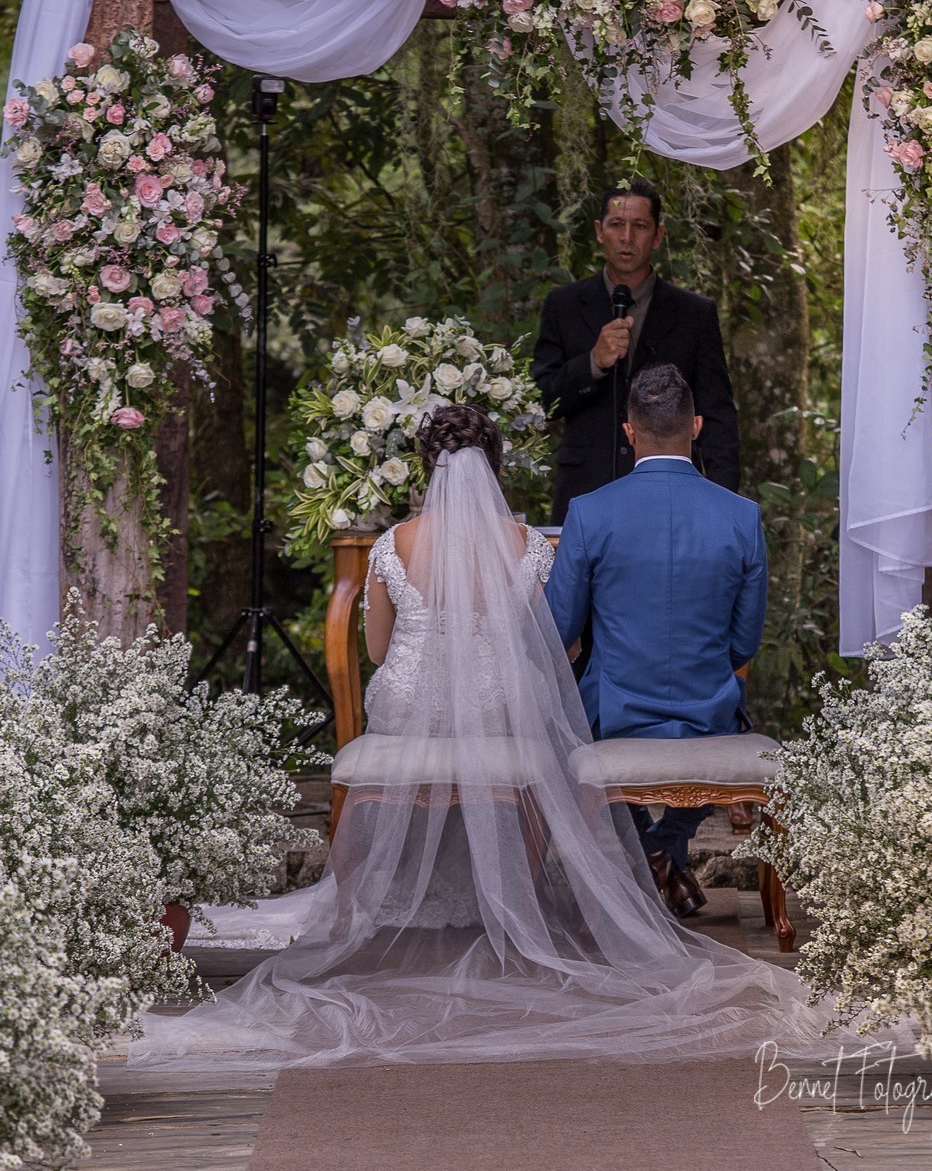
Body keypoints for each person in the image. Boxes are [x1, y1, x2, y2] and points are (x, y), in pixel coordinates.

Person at [129, 404, 835, 1070]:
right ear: (495, 468)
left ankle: (364, 907)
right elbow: (550, 643)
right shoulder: (528, 544)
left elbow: (377, 649)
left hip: (407, 707)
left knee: (400, 689)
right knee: (542, 732)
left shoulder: (392, 543)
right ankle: (523, 907)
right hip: (502, 705)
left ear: (425, 465)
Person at [544, 365, 768, 917]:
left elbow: (557, 630)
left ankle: (653, 851)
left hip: (614, 713)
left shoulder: (590, 512)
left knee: (563, 734)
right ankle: (669, 854)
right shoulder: (742, 517)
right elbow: (745, 640)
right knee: (730, 717)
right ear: (695, 427)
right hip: (709, 711)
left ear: (629, 432)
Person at [532, 176, 739, 525]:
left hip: (671, 501)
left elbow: (717, 419)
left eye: (639, 226)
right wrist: (593, 363)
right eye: (616, 225)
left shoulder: (693, 313)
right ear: (599, 231)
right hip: (586, 494)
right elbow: (541, 401)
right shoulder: (564, 305)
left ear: (658, 235)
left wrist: (722, 506)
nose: (627, 237)